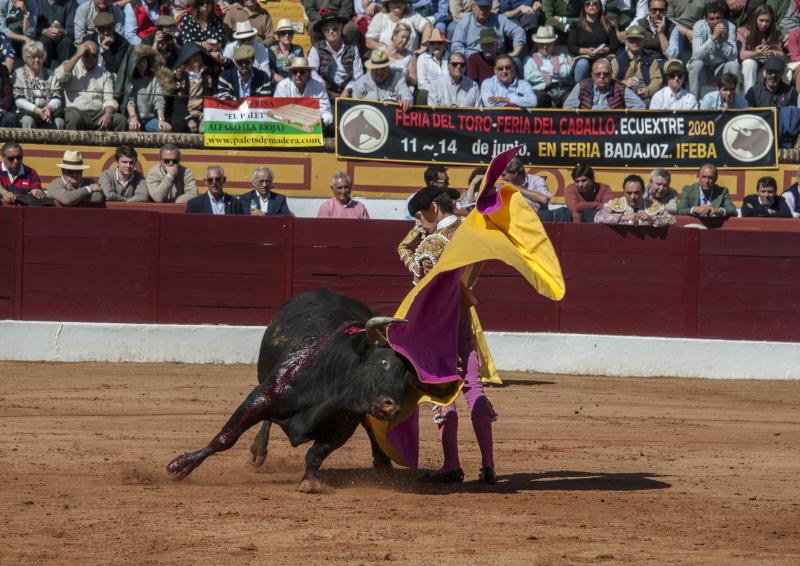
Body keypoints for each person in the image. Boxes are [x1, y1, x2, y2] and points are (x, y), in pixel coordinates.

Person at [406, 186, 497, 485]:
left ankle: (452, 464)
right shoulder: (471, 233)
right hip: (462, 318)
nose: (421, 222)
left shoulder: (433, 243)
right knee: (473, 388)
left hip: (437, 324)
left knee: (441, 390)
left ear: (434, 207)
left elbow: (426, 288)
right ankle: (488, 465)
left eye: (421, 216)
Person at [54, 40, 126, 131]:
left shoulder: (105, 74)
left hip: (98, 113)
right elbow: (60, 76)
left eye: (94, 55)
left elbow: (109, 98)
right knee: (74, 117)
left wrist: (108, 114)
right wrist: (77, 55)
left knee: (120, 120)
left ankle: (119, 146)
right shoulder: (71, 66)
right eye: (86, 54)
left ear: (98, 56)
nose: (90, 58)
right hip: (76, 111)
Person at [686, 2, 740, 101]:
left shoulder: (730, 26)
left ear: (722, 16)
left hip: (720, 70)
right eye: (711, 19)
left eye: (718, 18)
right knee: (696, 64)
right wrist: (713, 38)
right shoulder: (699, 26)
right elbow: (696, 55)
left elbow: (733, 56)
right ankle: (694, 103)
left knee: (734, 64)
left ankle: (733, 101)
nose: (715, 22)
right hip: (704, 70)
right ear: (705, 19)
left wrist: (723, 41)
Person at [307, 9, 363, 101]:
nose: (331, 31)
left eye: (334, 28)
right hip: (324, 93)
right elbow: (311, 71)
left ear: (341, 28)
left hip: (349, 94)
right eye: (327, 29)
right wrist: (321, 84)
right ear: (322, 32)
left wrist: (349, 89)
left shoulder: (352, 48)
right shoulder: (315, 49)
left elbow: (358, 75)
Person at [501, 156, 572, 222]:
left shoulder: (536, 180)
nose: (502, 178)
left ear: (515, 173)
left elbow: (544, 199)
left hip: (537, 221)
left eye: (504, 175)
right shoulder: (503, 185)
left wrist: (515, 187)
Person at [274, 57, 333, 133]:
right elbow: (278, 111)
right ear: (291, 73)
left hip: (314, 128)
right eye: (295, 72)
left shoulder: (318, 87)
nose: (298, 75)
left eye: (302, 72)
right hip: (288, 127)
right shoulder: (282, 86)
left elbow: (326, 111)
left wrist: (322, 122)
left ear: (308, 73)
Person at [170, 43, 219, 133]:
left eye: (198, 55)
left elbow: (213, 95)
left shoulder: (208, 74)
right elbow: (178, 102)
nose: (196, 58)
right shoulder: (180, 75)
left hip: (203, 113)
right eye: (193, 55)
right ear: (187, 58)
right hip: (183, 113)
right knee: (179, 125)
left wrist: (206, 115)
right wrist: (189, 119)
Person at [122, 44, 172, 133]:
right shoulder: (131, 79)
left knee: (164, 130)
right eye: (138, 61)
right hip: (134, 118)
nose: (141, 63)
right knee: (133, 129)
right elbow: (130, 100)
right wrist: (133, 118)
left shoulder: (155, 79)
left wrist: (161, 119)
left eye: (143, 60)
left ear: (147, 61)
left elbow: (159, 99)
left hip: (151, 119)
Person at [452, 0, 526, 59]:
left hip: (497, 58)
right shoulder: (464, 23)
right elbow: (456, 46)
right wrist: (470, 57)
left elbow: (518, 31)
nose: (483, 10)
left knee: (516, 61)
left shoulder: (499, 19)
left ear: (490, 7)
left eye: (486, 7)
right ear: (473, 7)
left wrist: (515, 52)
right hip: (473, 59)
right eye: (480, 7)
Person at [595, 174, 676, 226]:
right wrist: (623, 217)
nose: (633, 197)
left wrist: (651, 218)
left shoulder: (652, 205)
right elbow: (598, 217)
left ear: (643, 192)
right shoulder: (617, 203)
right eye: (629, 193)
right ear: (623, 192)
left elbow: (672, 220)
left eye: (636, 193)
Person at [563, 57, 646, 108]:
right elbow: (568, 108)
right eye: (598, 74)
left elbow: (641, 106)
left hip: (612, 133)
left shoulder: (620, 88)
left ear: (611, 74)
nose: (602, 77)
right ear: (592, 75)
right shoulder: (581, 86)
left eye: (606, 74)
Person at [610, 24, 663, 103]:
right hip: (622, 94)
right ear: (626, 41)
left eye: (638, 39)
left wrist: (647, 91)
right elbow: (611, 80)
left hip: (644, 96)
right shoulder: (617, 60)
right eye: (632, 39)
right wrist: (623, 83)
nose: (635, 42)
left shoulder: (651, 61)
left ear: (643, 41)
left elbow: (657, 79)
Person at [568, 0, 617, 82]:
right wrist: (586, 51)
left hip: (602, 57)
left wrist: (604, 50)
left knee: (604, 65)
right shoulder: (576, 25)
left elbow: (614, 46)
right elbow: (571, 47)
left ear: (600, 6)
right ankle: (580, 88)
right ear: (584, 8)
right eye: (587, 3)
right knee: (582, 64)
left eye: (595, 3)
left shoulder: (608, 24)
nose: (591, 5)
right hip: (584, 58)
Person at [738, 5, 784, 93]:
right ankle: (749, 96)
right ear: (755, 19)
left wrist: (773, 53)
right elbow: (741, 54)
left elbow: (782, 55)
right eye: (761, 20)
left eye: (767, 21)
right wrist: (755, 53)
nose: (764, 24)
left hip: (766, 69)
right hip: (748, 70)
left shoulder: (775, 34)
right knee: (749, 63)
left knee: (777, 65)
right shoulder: (743, 31)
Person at [523, 25, 571, 108]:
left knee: (570, 98)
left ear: (553, 43)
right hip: (541, 91)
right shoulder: (530, 59)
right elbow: (529, 77)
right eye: (542, 44)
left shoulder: (562, 57)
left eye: (548, 44)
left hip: (560, 90)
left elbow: (565, 73)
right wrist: (554, 71)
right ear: (537, 44)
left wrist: (542, 71)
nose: (545, 47)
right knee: (541, 99)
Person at [366, 0, 431, 54]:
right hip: (386, 61)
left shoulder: (411, 15)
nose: (398, 4)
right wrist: (385, 50)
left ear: (405, 4)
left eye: (401, 2)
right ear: (387, 4)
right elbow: (369, 41)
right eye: (394, 2)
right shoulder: (380, 18)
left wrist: (424, 46)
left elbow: (427, 25)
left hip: (410, 59)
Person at [34, 0, 76, 69]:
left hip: (63, 38)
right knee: (44, 40)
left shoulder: (71, 3)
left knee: (67, 42)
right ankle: (42, 73)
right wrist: (44, 31)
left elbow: (72, 28)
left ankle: (63, 75)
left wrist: (63, 32)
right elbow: (33, 24)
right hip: (43, 37)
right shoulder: (36, 2)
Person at [85, 11, 129, 75]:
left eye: (109, 28)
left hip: (110, 76)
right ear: (96, 29)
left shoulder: (122, 43)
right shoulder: (88, 40)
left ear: (114, 27)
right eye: (102, 29)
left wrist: (105, 49)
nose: (106, 32)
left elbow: (114, 69)